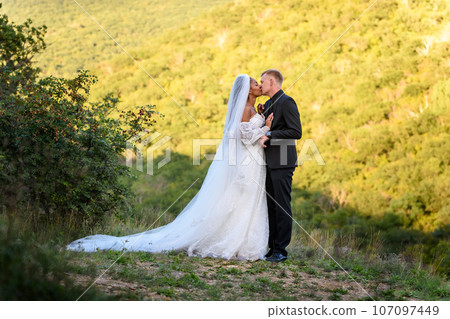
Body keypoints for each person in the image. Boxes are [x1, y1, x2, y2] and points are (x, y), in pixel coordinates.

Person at [66, 74, 274, 261]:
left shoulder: (251, 108)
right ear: (247, 89)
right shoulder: (245, 109)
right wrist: (266, 127)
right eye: (255, 83)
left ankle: (243, 241)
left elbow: (246, 129)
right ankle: (233, 241)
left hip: (253, 160)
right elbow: (243, 136)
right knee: (241, 199)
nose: (258, 85)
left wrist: (260, 117)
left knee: (247, 200)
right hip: (246, 160)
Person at [258, 69, 302, 262]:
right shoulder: (268, 103)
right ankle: (272, 247)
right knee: (270, 206)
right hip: (267, 161)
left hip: (283, 162)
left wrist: (270, 135)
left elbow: (295, 131)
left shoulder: (287, 102)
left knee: (282, 205)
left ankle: (281, 250)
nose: (260, 85)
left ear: (271, 82)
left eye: (262, 82)